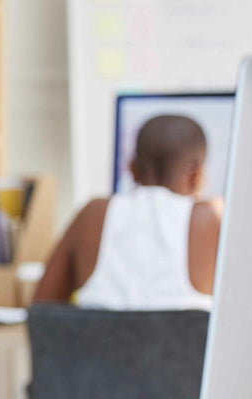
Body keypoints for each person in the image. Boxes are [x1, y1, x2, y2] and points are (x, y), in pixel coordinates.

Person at [32, 114, 222, 310]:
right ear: (196, 175)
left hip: (99, 340)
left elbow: (43, 312)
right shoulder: (207, 216)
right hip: (186, 341)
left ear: (131, 168)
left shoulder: (93, 213)